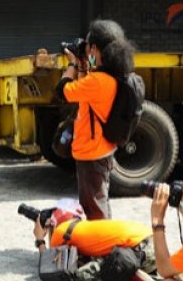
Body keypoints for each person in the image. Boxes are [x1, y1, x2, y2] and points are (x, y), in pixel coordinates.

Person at [56, 19, 135, 220]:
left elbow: (62, 91)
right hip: (103, 149)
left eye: (89, 46)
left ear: (94, 49)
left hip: (91, 154)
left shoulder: (97, 82)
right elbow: (87, 88)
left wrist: (73, 64)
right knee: (100, 202)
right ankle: (106, 243)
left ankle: (103, 248)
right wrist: (84, 65)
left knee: (94, 209)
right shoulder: (111, 76)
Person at [31, 199, 157, 281]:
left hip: (140, 253)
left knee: (80, 276)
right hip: (152, 245)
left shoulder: (61, 231)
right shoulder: (84, 226)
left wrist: (40, 239)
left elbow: (50, 263)